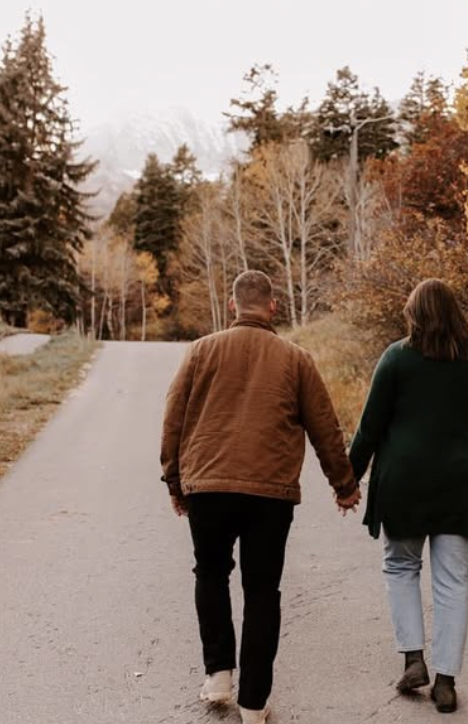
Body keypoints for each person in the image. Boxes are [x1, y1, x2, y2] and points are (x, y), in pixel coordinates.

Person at [160, 270, 361, 724]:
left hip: (207, 487)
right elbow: (324, 428)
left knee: (210, 574)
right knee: (262, 591)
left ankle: (218, 676)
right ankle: (253, 703)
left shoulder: (200, 351)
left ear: (233, 306)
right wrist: (344, 485)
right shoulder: (296, 358)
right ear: (272, 307)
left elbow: (173, 420)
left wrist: (175, 482)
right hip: (270, 494)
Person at [349, 278, 468, 714]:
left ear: (413, 315)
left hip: (405, 486)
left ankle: (413, 657)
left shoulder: (397, 358)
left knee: (400, 566)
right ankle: (446, 682)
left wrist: (349, 478)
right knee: (453, 583)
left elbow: (370, 428)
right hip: (461, 488)